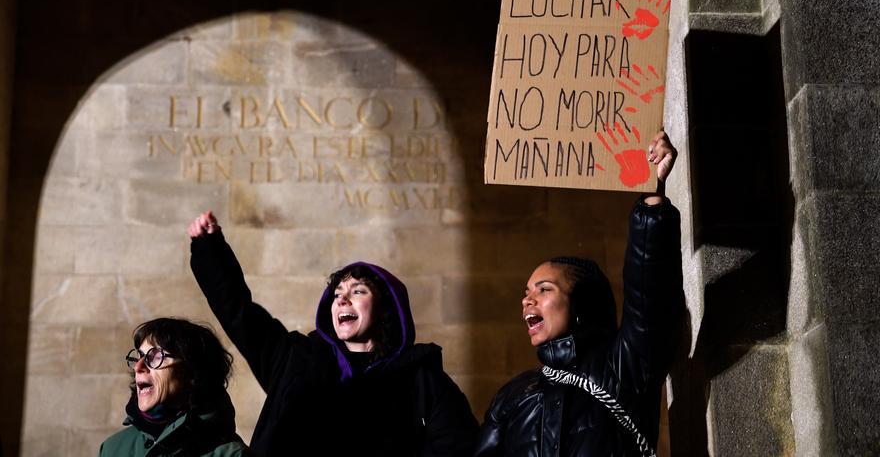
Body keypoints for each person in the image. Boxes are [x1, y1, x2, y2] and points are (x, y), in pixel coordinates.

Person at [187, 215, 478, 456]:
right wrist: (209, 250)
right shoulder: (295, 359)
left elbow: (455, 447)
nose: (341, 300)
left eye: (358, 291)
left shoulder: (423, 378)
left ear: (386, 309)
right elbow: (239, 312)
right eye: (338, 294)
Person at [474, 132, 686, 457]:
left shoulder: (624, 366)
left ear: (579, 303)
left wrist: (652, 192)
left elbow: (649, 294)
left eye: (544, 289)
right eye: (526, 292)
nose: (527, 300)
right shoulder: (513, 396)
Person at [99, 318, 252, 457]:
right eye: (139, 356)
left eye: (155, 356)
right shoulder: (112, 449)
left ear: (191, 372)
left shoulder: (232, 454)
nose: (138, 366)